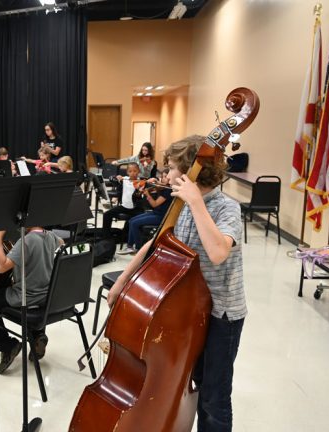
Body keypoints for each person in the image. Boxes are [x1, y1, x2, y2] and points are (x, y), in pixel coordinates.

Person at [107, 135, 244, 432]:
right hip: (190, 310)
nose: (166, 175)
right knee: (189, 378)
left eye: (170, 168)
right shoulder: (180, 204)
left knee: (213, 395)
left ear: (192, 171)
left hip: (222, 313)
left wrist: (196, 202)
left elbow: (219, 252)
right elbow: (154, 245)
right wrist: (122, 281)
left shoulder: (226, 208)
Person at [0, 228, 63, 374]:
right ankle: (37, 335)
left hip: (26, 296)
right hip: (46, 296)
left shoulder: (26, 241)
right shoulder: (49, 236)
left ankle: (7, 346)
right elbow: (61, 242)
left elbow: (0, 267)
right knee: (2, 295)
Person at [119, 168, 173, 254]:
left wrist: (147, 194)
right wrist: (153, 182)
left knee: (134, 223)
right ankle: (129, 246)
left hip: (162, 216)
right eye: (162, 177)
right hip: (156, 213)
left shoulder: (169, 191)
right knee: (131, 220)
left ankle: (138, 248)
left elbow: (154, 204)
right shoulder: (164, 188)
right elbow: (158, 186)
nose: (163, 179)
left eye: (166, 177)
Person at [102, 163, 145, 231]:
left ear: (138, 171)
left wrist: (139, 189)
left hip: (136, 208)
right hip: (124, 207)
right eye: (130, 171)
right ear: (127, 172)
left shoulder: (141, 182)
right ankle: (106, 236)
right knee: (107, 214)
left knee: (136, 220)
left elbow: (139, 196)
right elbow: (111, 178)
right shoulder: (124, 179)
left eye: (135, 171)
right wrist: (116, 177)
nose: (133, 173)